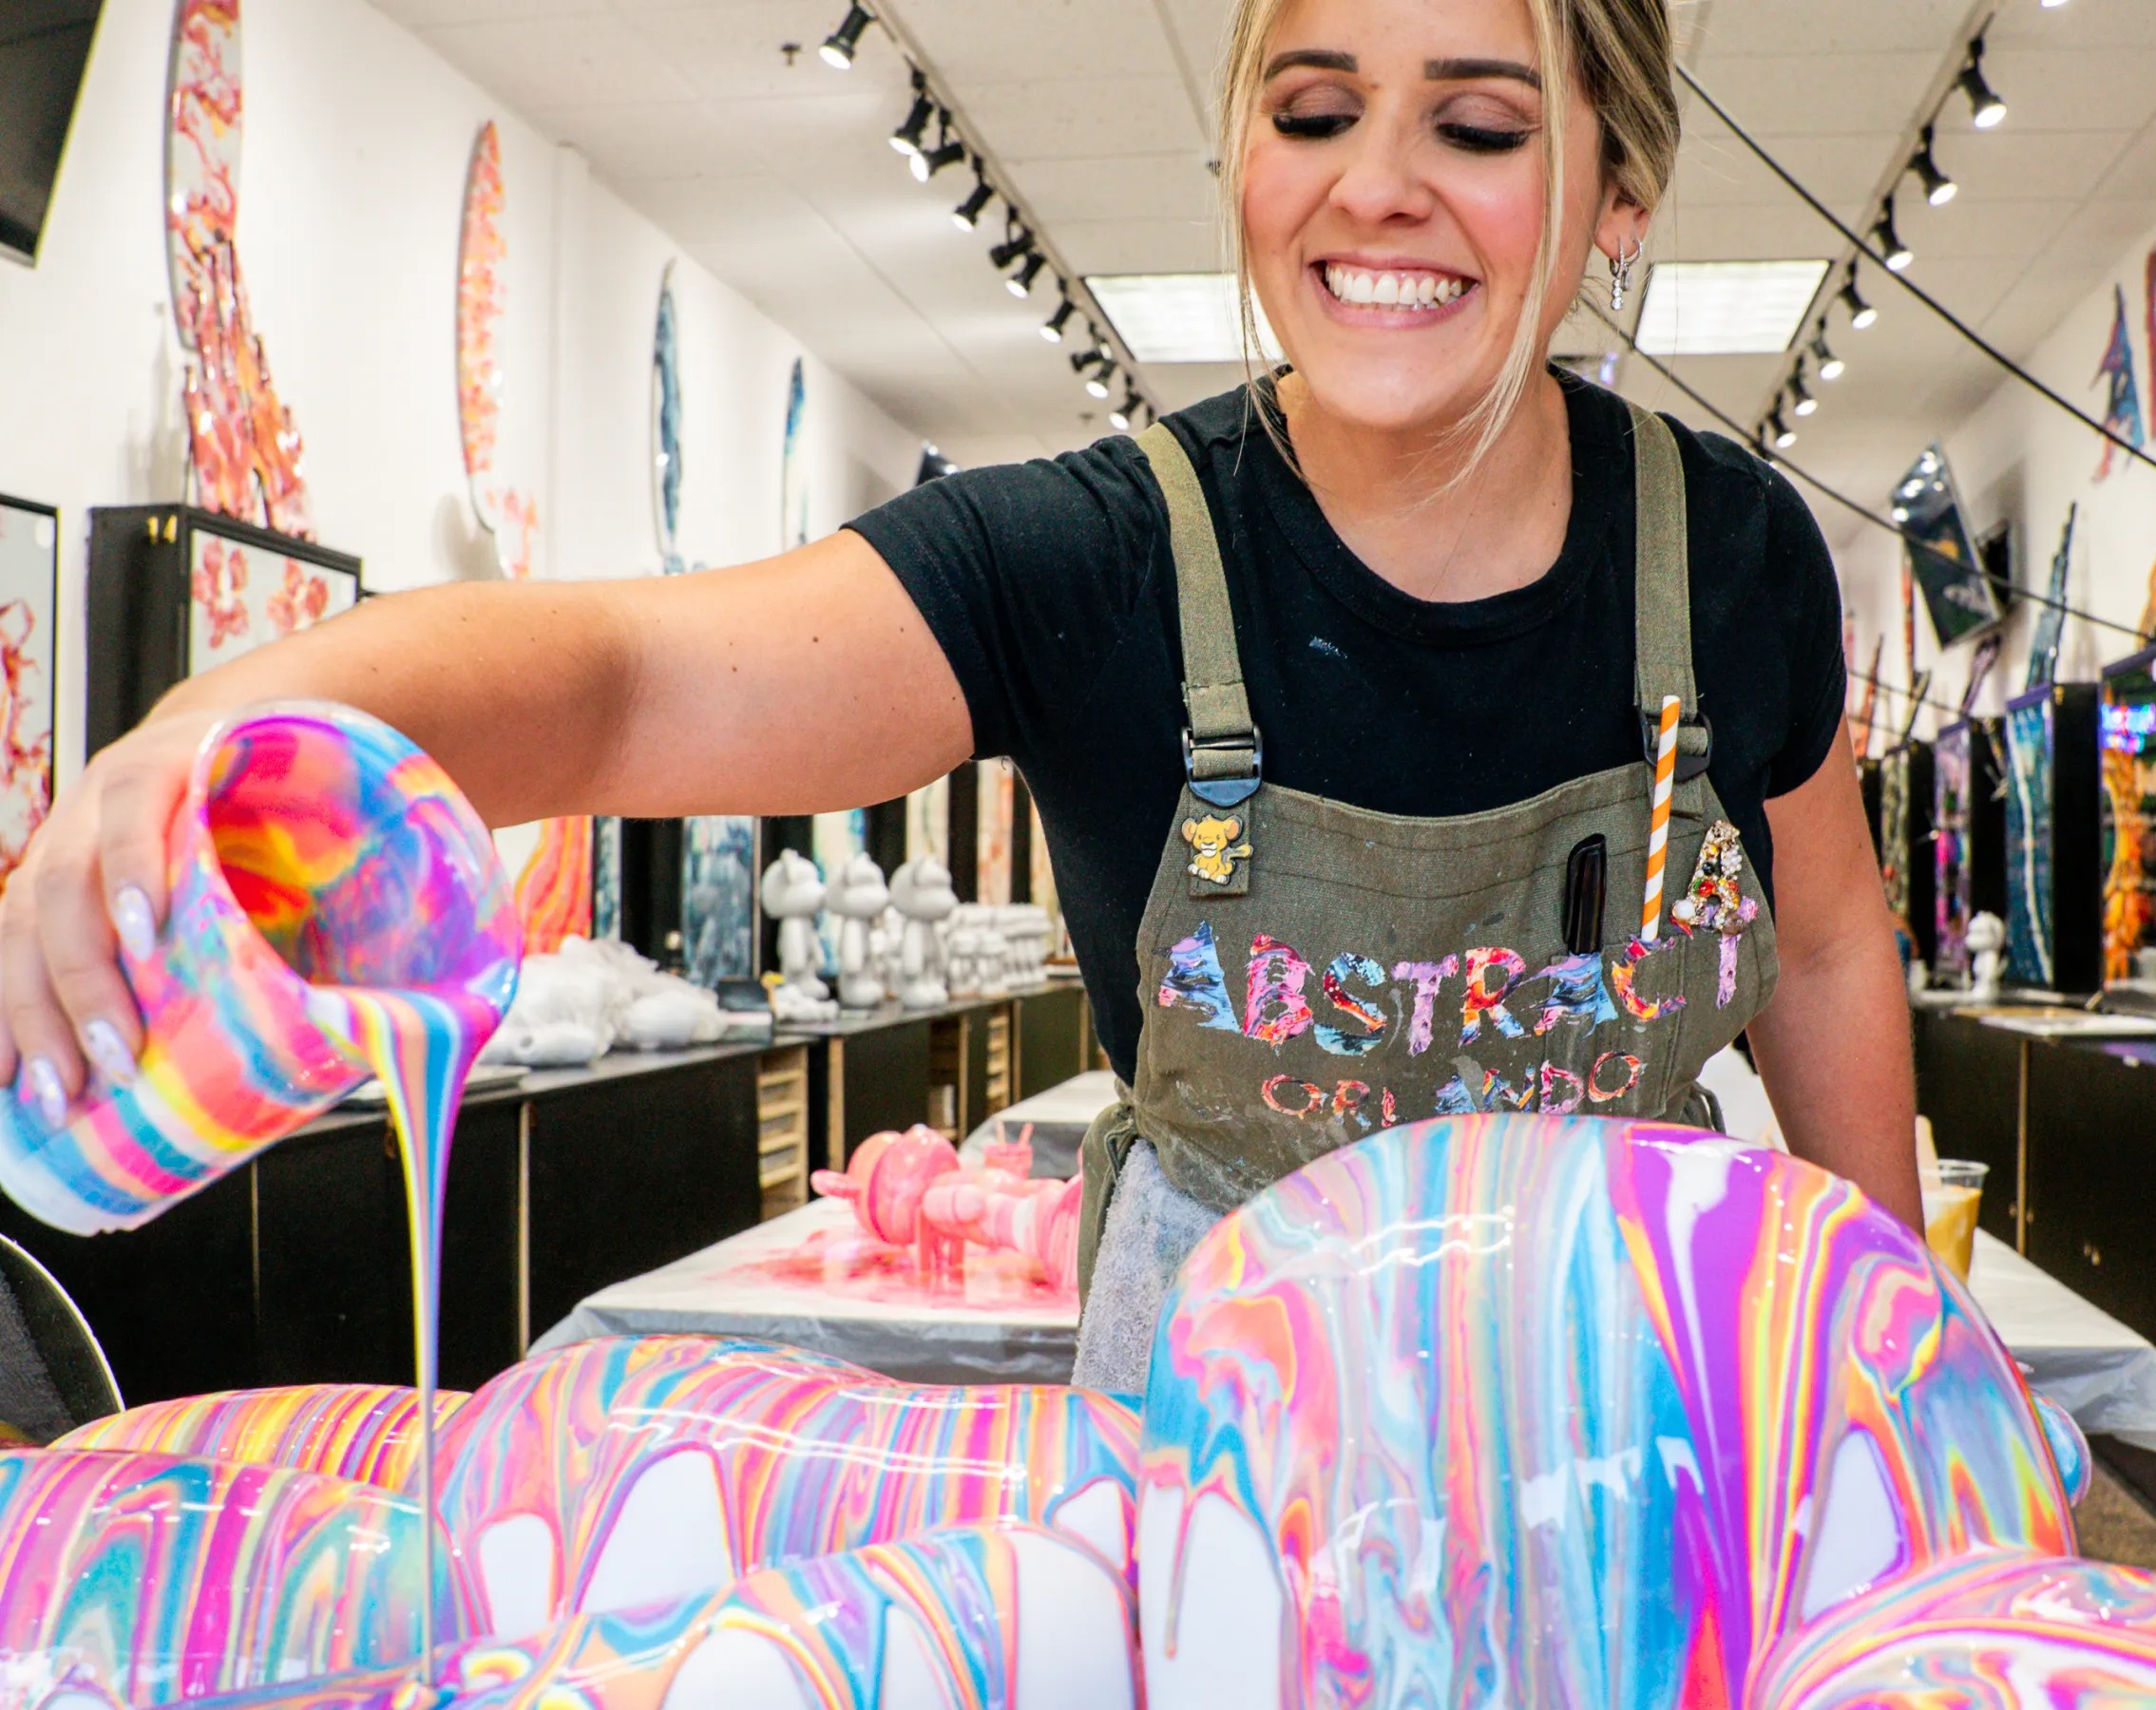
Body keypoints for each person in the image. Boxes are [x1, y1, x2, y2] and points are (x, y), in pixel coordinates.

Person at [1, 0, 1916, 1395]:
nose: (1377, 186)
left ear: (1620, 188)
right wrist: (203, 736)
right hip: (1207, 1522)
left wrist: (1903, 1364)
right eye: (1315, 108)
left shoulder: (1728, 558)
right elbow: (620, 682)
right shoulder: (1100, 563)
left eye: (1479, 127)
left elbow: (1824, 944)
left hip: (1640, 1465)